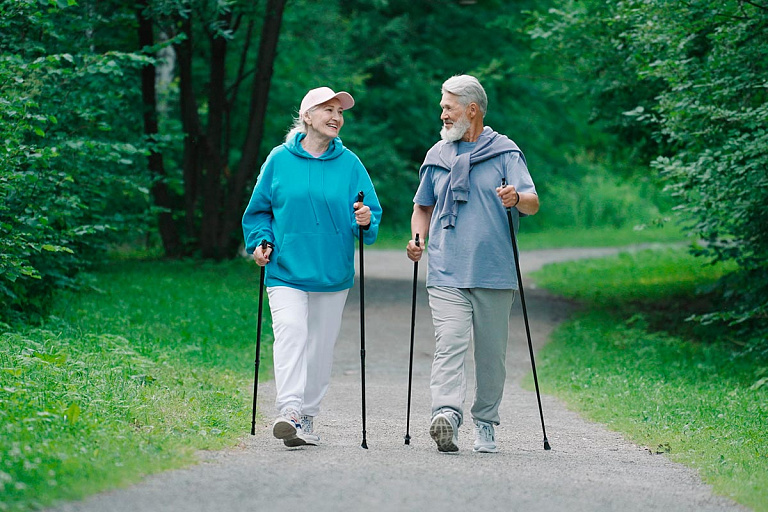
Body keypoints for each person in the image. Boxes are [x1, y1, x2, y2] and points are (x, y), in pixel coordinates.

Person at [242, 86, 382, 448]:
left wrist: (365, 219)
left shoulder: (350, 164)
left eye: (340, 111)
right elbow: (259, 210)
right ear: (306, 117)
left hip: (332, 272)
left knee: (320, 347)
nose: (337, 117)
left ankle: (306, 416)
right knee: (291, 330)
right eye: (328, 110)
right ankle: (288, 411)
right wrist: (260, 241)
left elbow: (370, 216)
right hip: (285, 268)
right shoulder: (279, 159)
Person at [406, 75, 539, 453]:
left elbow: (532, 202)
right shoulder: (438, 156)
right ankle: (446, 414)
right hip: (446, 268)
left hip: (494, 270)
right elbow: (423, 207)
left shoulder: (505, 153)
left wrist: (516, 198)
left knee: (490, 355)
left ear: (472, 110)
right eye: (443, 107)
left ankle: (485, 422)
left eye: (448, 107)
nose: (443, 114)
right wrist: (418, 239)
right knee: (448, 342)